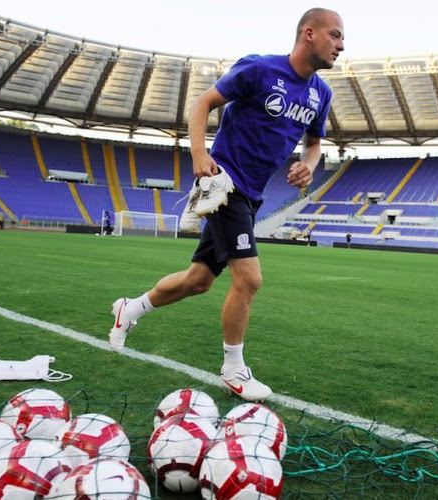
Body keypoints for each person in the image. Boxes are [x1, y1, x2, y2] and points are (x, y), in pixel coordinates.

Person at [109, 8, 344, 401]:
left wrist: (308, 164)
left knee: (198, 280)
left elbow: (315, 142)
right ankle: (233, 370)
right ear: (309, 33)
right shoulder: (259, 69)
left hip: (253, 194)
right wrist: (199, 154)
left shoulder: (322, 93)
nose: (341, 45)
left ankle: (129, 309)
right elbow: (203, 103)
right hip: (225, 184)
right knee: (249, 279)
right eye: (335, 35)